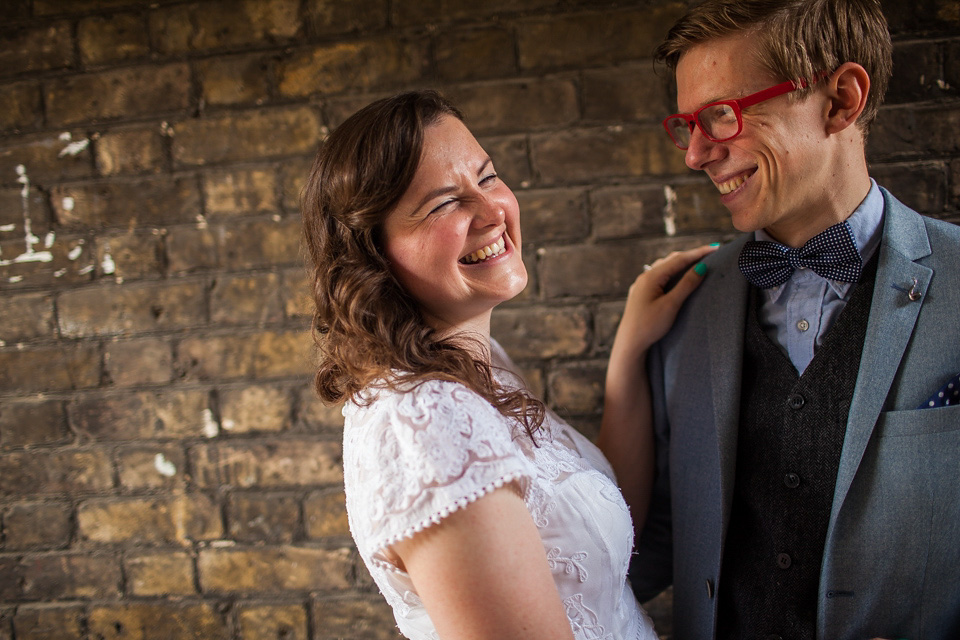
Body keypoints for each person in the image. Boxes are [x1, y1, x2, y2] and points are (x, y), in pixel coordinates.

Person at [300, 90, 715, 639]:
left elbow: (590, 531)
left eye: (488, 177)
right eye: (444, 203)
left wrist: (629, 350)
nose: (493, 210)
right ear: (374, 255)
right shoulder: (425, 420)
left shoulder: (476, 366)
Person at [629, 1, 960, 639]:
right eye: (689, 124)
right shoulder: (683, 305)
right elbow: (661, 538)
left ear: (840, 100)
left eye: (722, 115)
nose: (696, 154)